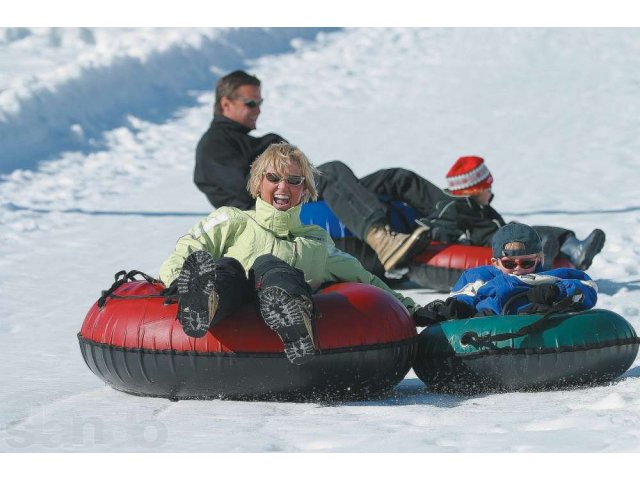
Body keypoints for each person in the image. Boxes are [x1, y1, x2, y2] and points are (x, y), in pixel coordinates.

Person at [162, 142, 433, 364]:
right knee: (230, 267)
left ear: (304, 190)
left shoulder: (315, 240)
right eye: (273, 178)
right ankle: (204, 301)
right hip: (232, 303)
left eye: (294, 180)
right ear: (258, 184)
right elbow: (188, 248)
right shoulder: (233, 220)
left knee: (273, 267)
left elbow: (364, 278)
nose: (283, 187)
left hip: (279, 317)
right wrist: (175, 280)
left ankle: (293, 318)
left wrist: (410, 308)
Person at [194, 70, 442, 272]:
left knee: (395, 179)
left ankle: (455, 215)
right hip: (272, 217)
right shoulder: (214, 145)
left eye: (260, 103)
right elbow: (251, 188)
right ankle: (380, 238)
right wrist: (271, 145)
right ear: (226, 104)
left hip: (293, 197)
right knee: (333, 172)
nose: (258, 109)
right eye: (251, 103)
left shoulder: (243, 140)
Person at [419, 155, 606, 271]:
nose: (491, 193)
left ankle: (574, 249)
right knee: (530, 235)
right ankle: (542, 256)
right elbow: (441, 227)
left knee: (541, 230)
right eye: (487, 189)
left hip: (503, 236)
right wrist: (459, 239)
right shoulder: (452, 208)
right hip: (492, 244)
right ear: (473, 190)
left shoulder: (484, 207)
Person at [415, 223, 598, 326]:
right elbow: (463, 296)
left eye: (526, 262)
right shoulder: (480, 277)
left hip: (535, 320)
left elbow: (587, 288)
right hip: (489, 324)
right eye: (509, 264)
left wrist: (556, 292)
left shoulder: (553, 277)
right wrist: (457, 308)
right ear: (495, 262)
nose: (518, 268)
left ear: (540, 259)